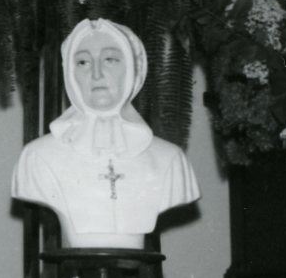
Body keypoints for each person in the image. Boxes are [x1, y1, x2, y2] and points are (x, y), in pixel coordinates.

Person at [13, 17, 199, 249]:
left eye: (110, 60)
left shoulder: (170, 160)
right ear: (69, 74)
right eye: (82, 63)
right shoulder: (36, 158)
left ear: (134, 68)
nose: (97, 74)